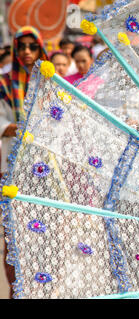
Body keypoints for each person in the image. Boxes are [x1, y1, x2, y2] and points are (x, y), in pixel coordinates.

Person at [0, 26, 48, 299]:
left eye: (33, 46)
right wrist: (26, 129)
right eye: (22, 47)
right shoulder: (3, 84)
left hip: (46, 171)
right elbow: (3, 125)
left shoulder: (50, 82)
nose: (27, 52)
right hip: (13, 172)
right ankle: (18, 293)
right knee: (15, 237)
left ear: (41, 49)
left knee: (46, 235)